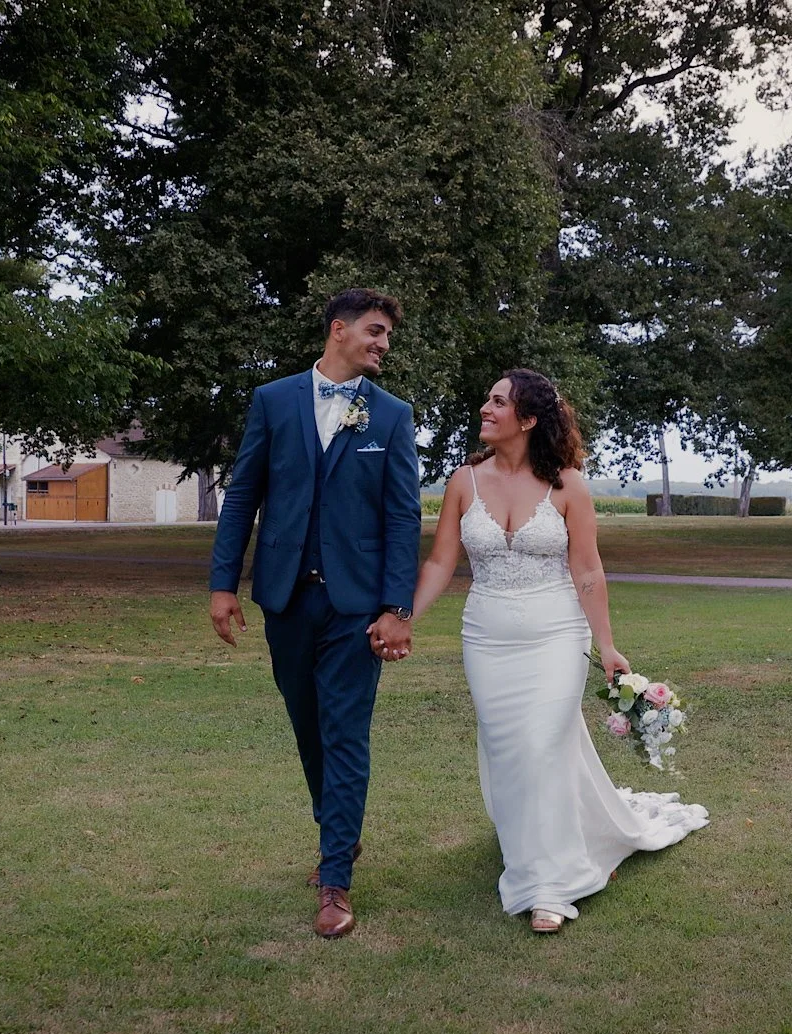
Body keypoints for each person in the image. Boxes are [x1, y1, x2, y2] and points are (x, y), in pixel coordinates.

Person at [409, 369, 707, 933]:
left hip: (556, 636)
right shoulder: (463, 481)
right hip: (486, 638)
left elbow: (587, 570)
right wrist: (404, 619)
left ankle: (549, 885)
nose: (485, 408)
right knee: (508, 749)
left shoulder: (569, 485)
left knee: (543, 743)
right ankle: (528, 841)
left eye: (499, 401)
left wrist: (607, 645)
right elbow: (441, 561)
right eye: (488, 398)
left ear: (528, 420)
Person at [208, 288, 421, 939]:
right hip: (286, 598)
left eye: (387, 336)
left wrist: (398, 608)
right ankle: (339, 834)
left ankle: (335, 880)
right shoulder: (273, 401)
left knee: (345, 732)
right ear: (339, 330)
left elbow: (402, 517)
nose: (384, 344)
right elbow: (243, 494)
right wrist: (222, 585)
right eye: (376, 331)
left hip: (356, 608)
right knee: (308, 727)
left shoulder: (391, 416)